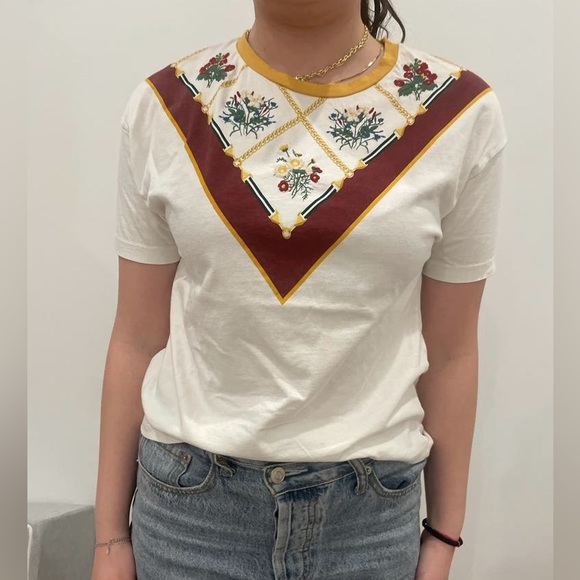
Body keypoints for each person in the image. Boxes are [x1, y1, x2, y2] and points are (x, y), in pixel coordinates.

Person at [91, 1, 507, 578]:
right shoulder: (167, 105)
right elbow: (136, 337)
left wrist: (442, 537)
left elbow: (453, 351)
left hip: (371, 522)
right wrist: (109, 540)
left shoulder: (458, 112)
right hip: (190, 517)